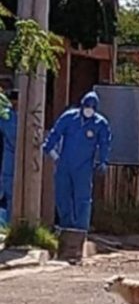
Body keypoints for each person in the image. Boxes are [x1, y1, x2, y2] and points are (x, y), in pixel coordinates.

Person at [43, 90, 112, 231]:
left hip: (84, 166)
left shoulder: (100, 123)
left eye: (92, 107)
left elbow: (105, 143)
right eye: (87, 106)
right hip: (65, 163)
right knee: (62, 195)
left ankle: (81, 228)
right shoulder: (69, 117)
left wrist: (104, 160)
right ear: (82, 105)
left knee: (83, 197)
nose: (89, 109)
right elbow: (56, 132)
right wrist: (50, 149)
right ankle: (65, 225)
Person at [0, 93, 17, 224]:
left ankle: (10, 221)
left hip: (10, 155)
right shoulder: (7, 116)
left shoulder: (9, 117)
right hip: (8, 155)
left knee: (10, 190)